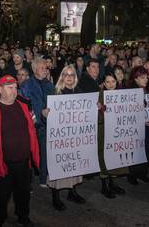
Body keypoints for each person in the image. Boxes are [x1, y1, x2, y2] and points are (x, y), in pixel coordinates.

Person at [0, 75, 40, 227]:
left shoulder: (25, 104)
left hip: (23, 163)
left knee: (23, 195)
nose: (14, 91)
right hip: (1, 165)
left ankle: (23, 218)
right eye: (10, 88)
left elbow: (34, 124)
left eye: (16, 87)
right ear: (0, 89)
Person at [48, 65, 86, 211]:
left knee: (74, 164)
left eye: (72, 74)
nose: (69, 77)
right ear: (62, 77)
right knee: (58, 165)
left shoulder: (80, 92)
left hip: (75, 135)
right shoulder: (55, 92)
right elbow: (49, 114)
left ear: (75, 77)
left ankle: (72, 192)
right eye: (66, 74)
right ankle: (55, 197)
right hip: (60, 137)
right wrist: (46, 113)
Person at [20, 58, 55, 187]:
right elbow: (24, 106)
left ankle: (43, 178)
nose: (45, 70)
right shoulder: (26, 85)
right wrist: (38, 114)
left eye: (46, 68)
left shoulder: (50, 85)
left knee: (45, 151)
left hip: (46, 125)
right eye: (42, 68)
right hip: (31, 125)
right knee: (28, 154)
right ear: (35, 70)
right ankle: (27, 182)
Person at [97, 73, 127, 198]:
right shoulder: (99, 96)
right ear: (104, 83)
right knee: (103, 158)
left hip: (116, 133)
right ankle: (104, 186)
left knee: (114, 158)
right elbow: (96, 119)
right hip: (103, 132)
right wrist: (101, 110)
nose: (111, 84)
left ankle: (112, 183)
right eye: (108, 82)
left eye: (113, 81)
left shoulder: (121, 95)